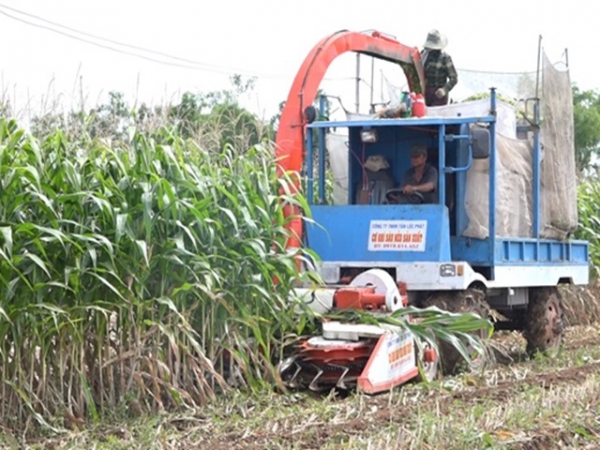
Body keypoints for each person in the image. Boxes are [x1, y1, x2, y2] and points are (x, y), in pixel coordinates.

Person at [421, 29, 458, 107]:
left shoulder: (445, 58)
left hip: (439, 96)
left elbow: (454, 78)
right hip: (425, 92)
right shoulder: (423, 56)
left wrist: (444, 90)